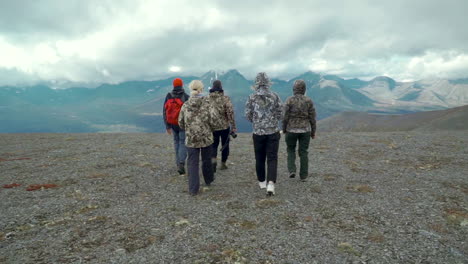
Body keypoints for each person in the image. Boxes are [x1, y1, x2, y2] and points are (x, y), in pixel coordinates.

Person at [245, 72, 282, 196]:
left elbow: (248, 115)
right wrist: (273, 120)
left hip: (258, 132)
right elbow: (280, 113)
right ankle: (271, 183)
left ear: (256, 83)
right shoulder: (275, 96)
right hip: (272, 131)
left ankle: (262, 181)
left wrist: (256, 122)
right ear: (268, 82)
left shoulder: (252, 97)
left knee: (259, 157)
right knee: (272, 158)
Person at [178, 80, 214, 196]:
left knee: (192, 163)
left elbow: (181, 122)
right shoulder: (208, 104)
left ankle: (193, 189)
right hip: (206, 137)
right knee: (206, 159)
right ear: (201, 89)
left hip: (191, 138)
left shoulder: (186, 105)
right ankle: (208, 180)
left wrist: (189, 129)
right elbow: (213, 121)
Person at [282, 79, 316, 182]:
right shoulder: (309, 101)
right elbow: (312, 118)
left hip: (291, 130)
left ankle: (292, 170)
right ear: (304, 89)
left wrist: (284, 129)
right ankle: (303, 175)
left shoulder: (289, 100)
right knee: (303, 152)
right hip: (305, 130)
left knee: (291, 149)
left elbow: (285, 117)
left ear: (294, 89)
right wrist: (313, 132)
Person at [207, 80, 237, 172]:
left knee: (213, 145)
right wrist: (233, 125)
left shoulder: (207, 99)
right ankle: (223, 163)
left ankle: (213, 161)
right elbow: (230, 112)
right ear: (221, 88)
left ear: (212, 87)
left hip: (212, 127)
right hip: (224, 126)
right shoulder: (225, 98)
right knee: (225, 145)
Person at [163, 78, 189, 175]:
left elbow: (164, 111)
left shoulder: (168, 96)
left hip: (172, 124)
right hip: (183, 124)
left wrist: (167, 126)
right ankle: (181, 163)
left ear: (173, 85)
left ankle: (178, 164)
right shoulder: (186, 96)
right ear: (182, 85)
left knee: (176, 143)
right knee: (183, 142)